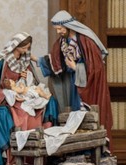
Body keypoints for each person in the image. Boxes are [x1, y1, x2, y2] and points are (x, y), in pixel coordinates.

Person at [0, 32, 58, 165]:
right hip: (9, 94)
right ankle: (21, 154)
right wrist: (11, 89)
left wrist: (25, 76)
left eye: (28, 48)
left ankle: (41, 147)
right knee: (24, 113)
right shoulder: (3, 62)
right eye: (24, 48)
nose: (26, 51)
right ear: (17, 46)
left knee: (45, 103)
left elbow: (30, 81)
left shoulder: (25, 60)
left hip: (23, 91)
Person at [31, 10, 113, 150]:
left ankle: (90, 148)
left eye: (60, 28)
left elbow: (96, 67)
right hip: (72, 83)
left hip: (86, 85)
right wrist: (36, 60)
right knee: (73, 112)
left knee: (85, 113)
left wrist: (76, 67)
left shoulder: (86, 41)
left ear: (68, 26)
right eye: (56, 29)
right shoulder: (63, 41)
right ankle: (77, 148)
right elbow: (55, 59)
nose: (58, 32)